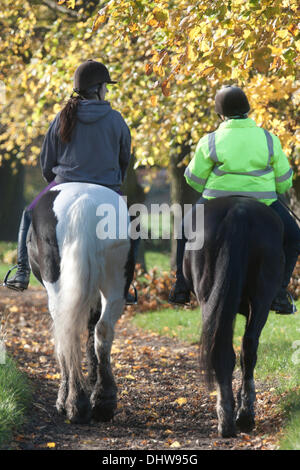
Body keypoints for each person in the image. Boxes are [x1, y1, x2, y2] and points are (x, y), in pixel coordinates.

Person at [4, 59, 138, 304]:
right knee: (132, 224)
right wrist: (114, 181)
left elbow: (47, 160)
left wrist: (53, 184)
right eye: (105, 87)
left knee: (29, 212)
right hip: (106, 186)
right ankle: (126, 285)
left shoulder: (62, 117)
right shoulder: (116, 120)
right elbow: (124, 159)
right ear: (97, 89)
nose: (107, 92)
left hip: (63, 183)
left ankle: (21, 271)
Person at [169, 85, 300, 315]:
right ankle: (280, 291)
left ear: (221, 113)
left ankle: (180, 285)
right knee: (294, 237)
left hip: (216, 200)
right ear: (248, 110)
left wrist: (210, 191)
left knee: (183, 229)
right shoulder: (269, 139)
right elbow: (284, 180)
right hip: (265, 203)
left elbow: (193, 178)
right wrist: (273, 188)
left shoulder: (210, 140)